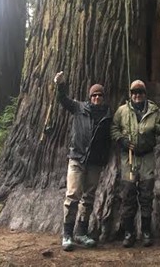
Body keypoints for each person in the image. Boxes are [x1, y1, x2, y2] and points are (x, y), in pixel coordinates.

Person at [54, 71, 112, 252]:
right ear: (90, 96)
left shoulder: (108, 115)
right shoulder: (79, 108)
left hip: (95, 163)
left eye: (100, 95)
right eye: (94, 95)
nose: (97, 98)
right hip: (77, 158)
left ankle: (81, 232)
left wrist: (104, 158)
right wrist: (61, 85)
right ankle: (67, 234)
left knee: (88, 198)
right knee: (72, 196)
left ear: (103, 97)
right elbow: (63, 100)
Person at [111, 79, 160, 248]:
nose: (137, 95)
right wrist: (121, 140)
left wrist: (156, 128)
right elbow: (113, 128)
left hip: (147, 157)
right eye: (134, 92)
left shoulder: (153, 110)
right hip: (129, 157)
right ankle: (129, 233)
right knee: (128, 194)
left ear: (144, 94)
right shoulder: (122, 111)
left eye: (140, 92)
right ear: (131, 94)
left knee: (146, 194)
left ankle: (146, 232)